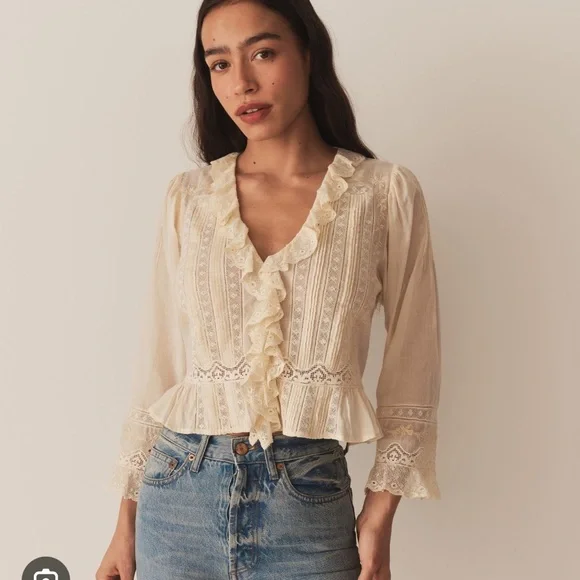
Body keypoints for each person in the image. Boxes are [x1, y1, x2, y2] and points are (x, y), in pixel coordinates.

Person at [96, 1, 442, 579]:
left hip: (307, 501)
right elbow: (160, 365)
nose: (242, 82)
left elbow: (415, 363)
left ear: (308, 53)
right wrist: (124, 524)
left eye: (262, 53)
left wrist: (380, 515)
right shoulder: (189, 198)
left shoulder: (384, 194)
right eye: (220, 63)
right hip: (177, 500)